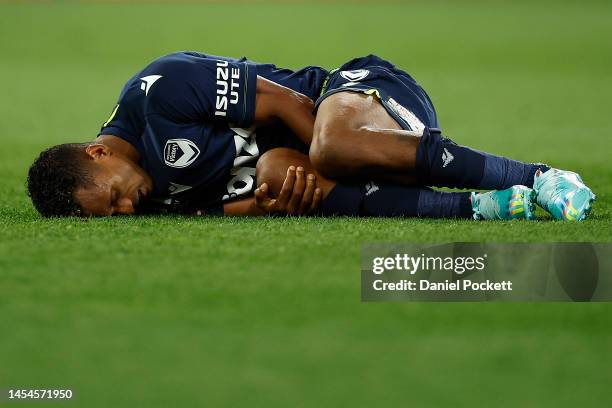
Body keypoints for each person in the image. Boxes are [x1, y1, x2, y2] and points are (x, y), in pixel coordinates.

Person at [27, 51, 595, 220]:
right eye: (114, 214)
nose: (128, 210)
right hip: (333, 153)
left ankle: (539, 176)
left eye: (114, 197)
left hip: (355, 96)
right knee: (279, 174)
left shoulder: (161, 89)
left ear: (96, 152)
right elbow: (235, 208)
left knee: (330, 148)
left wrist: (350, 166)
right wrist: (279, 202)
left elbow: (289, 101)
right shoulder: (146, 197)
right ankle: (492, 206)